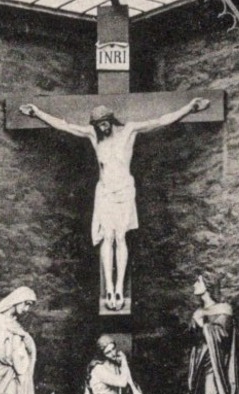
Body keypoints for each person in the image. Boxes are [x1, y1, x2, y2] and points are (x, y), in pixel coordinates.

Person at [19, 97, 210, 311]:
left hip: (124, 191)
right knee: (107, 238)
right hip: (105, 192)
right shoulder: (94, 136)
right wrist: (37, 113)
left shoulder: (129, 131)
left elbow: (161, 120)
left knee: (120, 237)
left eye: (104, 123)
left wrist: (189, 108)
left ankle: (119, 288)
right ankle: (109, 288)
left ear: (111, 120)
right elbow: (65, 126)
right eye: (98, 125)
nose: (102, 127)